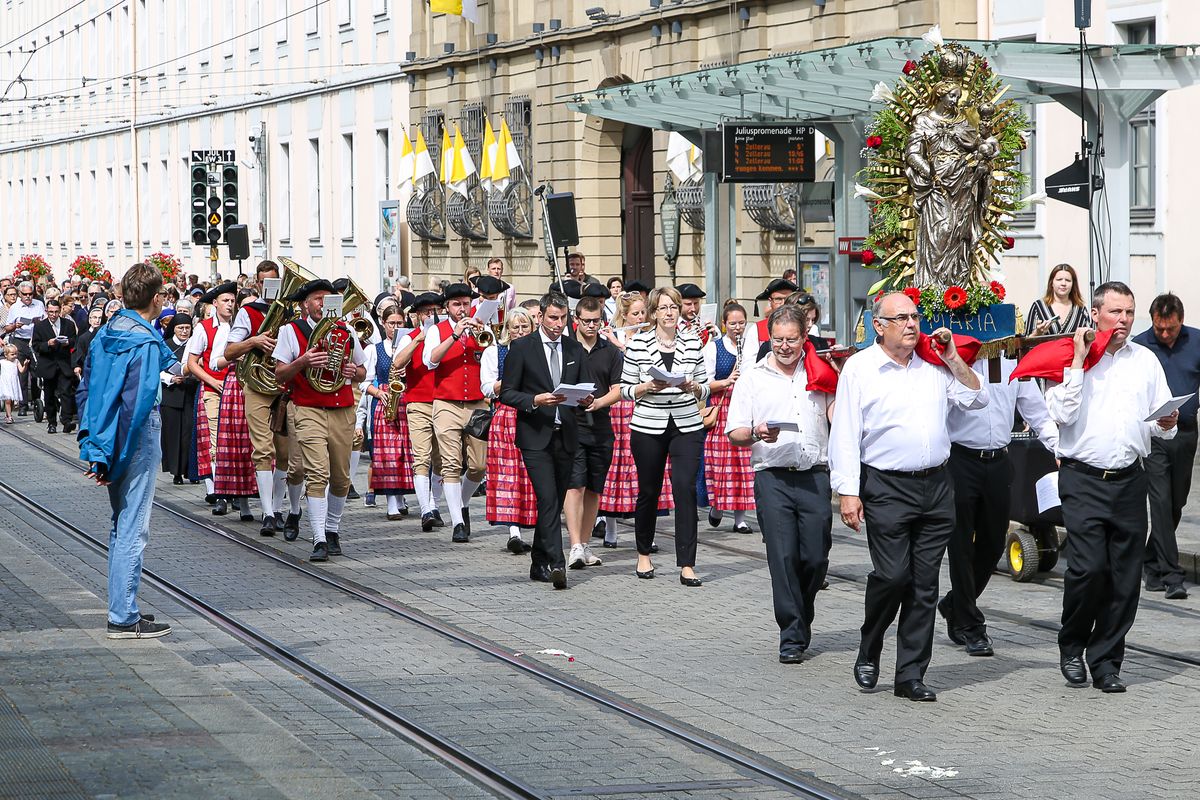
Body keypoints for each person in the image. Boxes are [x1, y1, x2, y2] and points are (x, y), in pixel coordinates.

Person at [830, 291, 987, 702]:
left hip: (936, 485)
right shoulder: (861, 368)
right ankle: (870, 644)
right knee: (892, 576)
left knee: (924, 585)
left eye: (915, 316)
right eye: (901, 318)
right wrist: (848, 491)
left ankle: (910, 674)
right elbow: (845, 432)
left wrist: (953, 358)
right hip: (886, 486)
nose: (911, 324)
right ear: (878, 326)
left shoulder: (933, 363)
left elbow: (977, 398)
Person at [1049, 282, 1177, 693]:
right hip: (1083, 478)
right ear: (1095, 314)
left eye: (1129, 312)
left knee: (1125, 578)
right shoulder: (1070, 356)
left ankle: (1106, 660)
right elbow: (1061, 414)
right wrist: (1079, 360)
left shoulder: (1145, 360)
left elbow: (1159, 423)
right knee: (1088, 569)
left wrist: (1167, 423)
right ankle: (1072, 645)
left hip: (1129, 480)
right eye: (1115, 312)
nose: (1123, 320)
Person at [726, 305, 835, 663]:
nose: (784, 346)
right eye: (778, 340)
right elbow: (735, 432)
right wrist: (757, 432)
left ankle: (801, 613)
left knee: (815, 557)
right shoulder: (753, 378)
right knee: (784, 557)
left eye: (791, 340)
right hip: (772, 476)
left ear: (805, 338)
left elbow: (837, 416)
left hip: (814, 474)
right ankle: (791, 635)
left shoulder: (820, 372)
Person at [77, 262, 177, 639]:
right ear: (157, 298)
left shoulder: (108, 331)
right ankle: (123, 616)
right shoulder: (144, 342)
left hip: (110, 437)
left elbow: (88, 391)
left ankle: (123, 605)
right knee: (133, 527)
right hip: (136, 436)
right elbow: (136, 407)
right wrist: (116, 457)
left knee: (122, 524)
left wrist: (97, 448)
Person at [939, 354, 1058, 656]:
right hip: (959, 459)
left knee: (993, 545)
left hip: (999, 460)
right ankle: (970, 625)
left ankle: (955, 603)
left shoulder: (1012, 360)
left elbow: (1036, 410)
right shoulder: (952, 358)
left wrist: (1059, 449)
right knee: (960, 546)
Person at [498, 292, 592, 589]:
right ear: (540, 316)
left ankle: (538, 561)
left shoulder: (574, 347)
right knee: (548, 498)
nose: (558, 324)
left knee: (552, 501)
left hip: (566, 434)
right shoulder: (522, 347)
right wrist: (534, 400)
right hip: (535, 435)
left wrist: (586, 398)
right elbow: (507, 393)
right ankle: (557, 562)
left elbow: (585, 387)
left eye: (563, 318)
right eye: (553, 318)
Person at [273, 279, 368, 562]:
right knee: (317, 474)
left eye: (328, 299)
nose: (323, 304)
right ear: (305, 304)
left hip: (342, 409)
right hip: (308, 408)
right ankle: (319, 538)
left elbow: (362, 371)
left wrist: (353, 371)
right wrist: (303, 362)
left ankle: (332, 529)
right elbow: (280, 373)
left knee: (341, 478)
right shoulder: (291, 331)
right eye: (317, 298)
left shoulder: (345, 330)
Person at [620, 286, 710, 585]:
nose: (669, 313)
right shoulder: (638, 343)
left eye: (673, 307)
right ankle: (643, 552)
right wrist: (647, 387)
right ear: (654, 313)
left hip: (686, 424)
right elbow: (625, 389)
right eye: (663, 308)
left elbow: (705, 386)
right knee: (649, 490)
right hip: (648, 424)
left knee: (685, 488)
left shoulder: (692, 341)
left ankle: (687, 563)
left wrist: (694, 387)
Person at [1132, 293, 1200, 599]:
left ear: (1180, 321)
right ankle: (1173, 576)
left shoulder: (1196, 341)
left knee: (1176, 503)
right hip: (1154, 434)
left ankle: (1151, 563)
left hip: (1185, 433)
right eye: (1159, 328)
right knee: (1159, 502)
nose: (1164, 334)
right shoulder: (1140, 346)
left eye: (1170, 328)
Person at [221, 261, 290, 536]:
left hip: (283, 386)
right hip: (257, 386)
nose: (269, 287)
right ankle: (268, 513)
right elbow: (229, 351)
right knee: (263, 449)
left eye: (274, 281)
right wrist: (254, 341)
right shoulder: (248, 312)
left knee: (285, 452)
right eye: (264, 282)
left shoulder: (290, 310)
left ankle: (278, 508)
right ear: (257, 284)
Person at [424, 282, 490, 543]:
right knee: (451, 464)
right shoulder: (437, 330)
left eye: (465, 304)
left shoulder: (481, 328)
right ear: (447, 307)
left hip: (477, 403)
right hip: (446, 403)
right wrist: (454, 335)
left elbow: (492, 360)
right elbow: (430, 361)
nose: (462, 309)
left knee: (479, 466)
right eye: (456, 304)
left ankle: (461, 503)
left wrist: (484, 336)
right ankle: (458, 523)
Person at [563, 295, 623, 569]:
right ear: (576, 320)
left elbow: (618, 389)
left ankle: (585, 544)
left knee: (594, 489)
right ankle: (575, 545)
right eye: (586, 321)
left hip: (600, 426)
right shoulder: (566, 347)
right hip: (571, 425)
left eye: (595, 321)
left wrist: (599, 402)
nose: (591, 326)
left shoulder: (609, 350)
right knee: (575, 485)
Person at [481, 309, 538, 552]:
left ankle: (537, 525)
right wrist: (514, 376)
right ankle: (514, 531)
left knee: (534, 472)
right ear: (507, 330)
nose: (520, 331)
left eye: (525, 327)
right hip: (506, 416)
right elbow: (486, 388)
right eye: (515, 327)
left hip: (535, 414)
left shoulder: (541, 351)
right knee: (508, 473)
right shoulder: (495, 352)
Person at [391, 292, 446, 531]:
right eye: (426, 312)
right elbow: (397, 363)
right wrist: (418, 340)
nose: (432, 315)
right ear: (417, 316)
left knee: (442, 460)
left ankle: (434, 505)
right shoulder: (410, 337)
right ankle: (425, 510)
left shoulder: (447, 335)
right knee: (421, 458)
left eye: (436, 311)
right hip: (419, 403)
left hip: (444, 403)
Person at [703, 302, 754, 533]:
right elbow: (705, 384)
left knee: (743, 464)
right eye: (732, 323)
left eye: (741, 323)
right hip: (722, 408)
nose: (737, 327)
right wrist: (727, 381)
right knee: (721, 464)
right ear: (724, 324)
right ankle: (717, 505)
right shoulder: (714, 348)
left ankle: (740, 519)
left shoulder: (751, 347)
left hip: (744, 408)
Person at [363, 305, 415, 520]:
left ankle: (401, 498)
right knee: (388, 454)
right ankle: (391, 503)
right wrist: (378, 393)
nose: (395, 327)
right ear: (383, 324)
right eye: (391, 323)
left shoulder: (410, 346)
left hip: (406, 401)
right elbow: (364, 382)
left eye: (399, 323)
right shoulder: (374, 349)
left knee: (404, 452)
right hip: (384, 402)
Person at [160, 314, 199, 485]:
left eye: (187, 328)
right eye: (180, 328)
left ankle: (190, 471)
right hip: (171, 394)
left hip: (190, 393)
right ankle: (176, 472)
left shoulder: (195, 345)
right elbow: (156, 368)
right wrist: (170, 378)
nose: (184, 331)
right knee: (173, 434)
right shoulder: (165, 345)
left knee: (189, 434)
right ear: (173, 329)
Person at [31, 297, 80, 434]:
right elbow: (36, 345)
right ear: (46, 311)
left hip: (64, 363)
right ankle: (52, 422)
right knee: (49, 394)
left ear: (60, 310)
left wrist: (67, 342)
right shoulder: (40, 326)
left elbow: (74, 340)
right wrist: (48, 344)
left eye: (56, 312)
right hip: (48, 364)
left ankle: (67, 420)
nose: (53, 315)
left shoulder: (68, 324)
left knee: (66, 392)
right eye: (51, 312)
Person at [4, 281, 46, 416]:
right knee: (22, 374)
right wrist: (15, 326)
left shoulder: (39, 304)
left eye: (30, 294)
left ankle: (37, 403)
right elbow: (7, 327)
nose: (28, 296)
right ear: (20, 294)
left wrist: (39, 322)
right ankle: (23, 405)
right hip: (20, 340)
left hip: (35, 340)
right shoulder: (15, 307)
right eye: (25, 294)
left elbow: (45, 321)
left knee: (36, 372)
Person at [743, 278, 797, 364]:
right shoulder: (756, 330)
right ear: (770, 301)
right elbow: (748, 364)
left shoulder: (804, 327)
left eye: (787, 299)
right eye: (778, 299)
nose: (783, 303)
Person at [1026, 263, 1089, 335]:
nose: (1063, 283)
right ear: (1051, 283)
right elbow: (1026, 339)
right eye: (1059, 280)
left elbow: (1090, 337)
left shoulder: (1081, 310)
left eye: (1068, 280)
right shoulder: (1038, 307)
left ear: (1073, 284)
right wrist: (1037, 333)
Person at [0, 344, 24, 423]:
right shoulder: (2, 362)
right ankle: (9, 417)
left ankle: (8, 414)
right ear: (6, 355)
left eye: (16, 354)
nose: (14, 356)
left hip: (13, 383)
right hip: (6, 383)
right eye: (12, 354)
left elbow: (21, 370)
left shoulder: (16, 361)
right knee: (8, 400)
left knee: (12, 400)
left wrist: (25, 365)